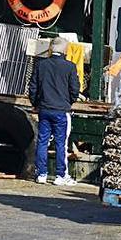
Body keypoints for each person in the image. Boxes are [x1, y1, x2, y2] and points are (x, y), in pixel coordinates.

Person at [29, 37, 80, 186]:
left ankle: (42, 174)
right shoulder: (70, 67)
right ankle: (60, 175)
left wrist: (35, 103)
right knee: (61, 143)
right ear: (65, 50)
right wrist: (69, 101)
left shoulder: (41, 65)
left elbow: (33, 86)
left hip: (44, 109)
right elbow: (74, 89)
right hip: (61, 110)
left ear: (51, 49)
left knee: (42, 142)